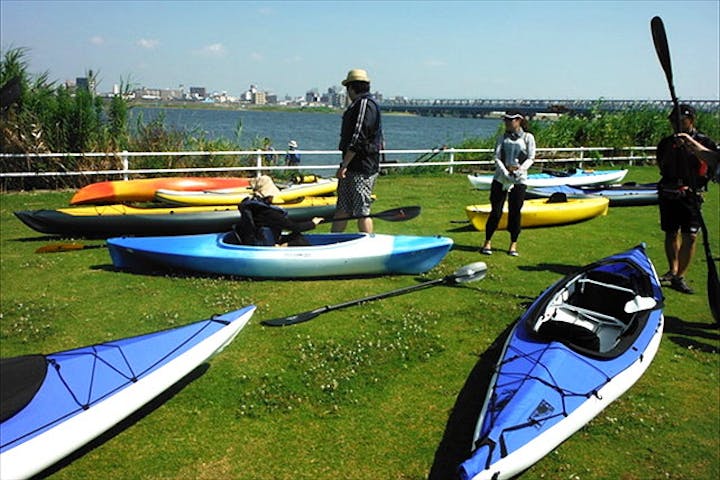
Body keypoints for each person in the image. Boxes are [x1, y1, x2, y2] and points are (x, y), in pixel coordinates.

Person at [656, 104, 718, 294]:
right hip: (669, 192)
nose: (676, 125)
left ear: (691, 120)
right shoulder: (666, 143)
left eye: (680, 121)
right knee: (671, 232)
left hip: (692, 194)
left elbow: (712, 165)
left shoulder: (704, 142)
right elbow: (662, 163)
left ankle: (680, 276)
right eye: (673, 121)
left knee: (690, 236)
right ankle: (672, 269)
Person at [332, 68, 384, 234]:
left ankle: (368, 243)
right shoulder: (362, 105)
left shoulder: (364, 105)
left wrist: (344, 164)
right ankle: (332, 241)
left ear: (351, 88)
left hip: (361, 166)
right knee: (343, 207)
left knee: (361, 209)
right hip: (354, 165)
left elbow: (358, 136)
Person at [480, 110, 536, 257]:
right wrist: (504, 171)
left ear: (518, 120)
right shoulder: (502, 137)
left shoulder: (528, 137)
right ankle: (487, 241)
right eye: (505, 120)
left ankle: (513, 244)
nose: (507, 123)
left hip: (519, 180)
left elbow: (531, 157)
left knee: (515, 212)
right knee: (496, 211)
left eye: (510, 120)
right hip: (500, 178)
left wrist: (520, 171)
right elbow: (497, 156)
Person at [235, 175, 323, 246]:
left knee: (295, 237)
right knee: (299, 239)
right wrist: (313, 223)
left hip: (255, 241)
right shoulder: (269, 213)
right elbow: (294, 227)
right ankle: (281, 248)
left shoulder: (251, 207)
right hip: (265, 245)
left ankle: (281, 246)